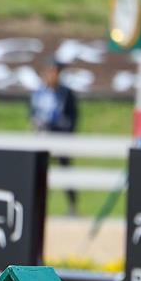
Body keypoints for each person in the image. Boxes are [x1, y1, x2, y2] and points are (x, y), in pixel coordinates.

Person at [29, 49, 81, 214]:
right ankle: (40, 206)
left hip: (61, 137)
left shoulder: (66, 94)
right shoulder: (38, 93)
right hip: (43, 137)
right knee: (41, 172)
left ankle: (73, 207)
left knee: (65, 171)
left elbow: (73, 116)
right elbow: (32, 113)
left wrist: (66, 129)